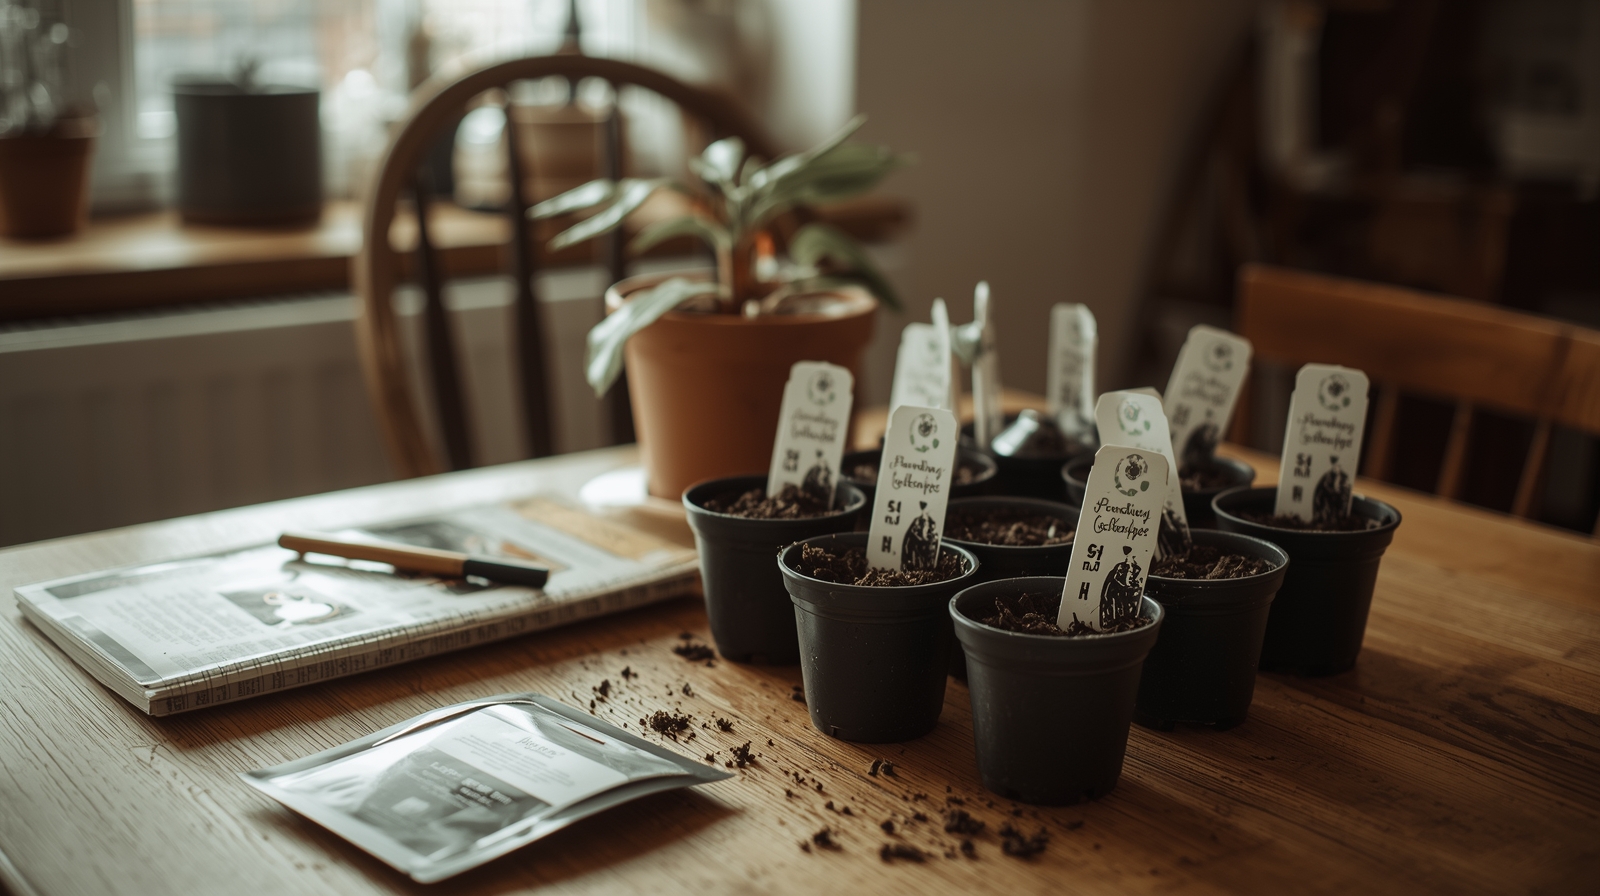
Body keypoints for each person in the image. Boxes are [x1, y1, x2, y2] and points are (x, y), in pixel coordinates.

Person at [1099, 545, 1143, 627]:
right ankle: (1112, 622)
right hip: (1113, 591)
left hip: (1120, 591)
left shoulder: (1130, 566)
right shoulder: (1120, 567)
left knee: (1122, 606)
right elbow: (1116, 579)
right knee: (1114, 607)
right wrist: (1125, 586)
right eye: (1133, 557)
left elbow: (1137, 570)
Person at [900, 501, 940, 570]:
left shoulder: (931, 522)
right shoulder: (917, 521)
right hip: (918, 548)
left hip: (927, 548)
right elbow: (907, 541)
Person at [1313, 455, 1351, 522]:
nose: (1337, 468)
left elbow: (1346, 492)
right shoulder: (1328, 476)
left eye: (1339, 466)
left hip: (1337, 503)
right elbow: (1323, 489)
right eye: (1336, 465)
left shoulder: (1344, 477)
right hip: (1328, 500)